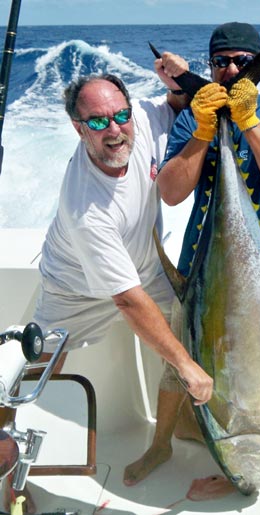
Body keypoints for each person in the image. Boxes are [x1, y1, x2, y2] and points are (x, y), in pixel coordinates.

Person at [0, 52, 213, 514]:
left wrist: (181, 80)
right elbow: (128, 301)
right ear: (78, 129)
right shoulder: (86, 206)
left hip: (143, 270)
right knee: (31, 377)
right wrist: (190, 368)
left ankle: (166, 440)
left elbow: (181, 104)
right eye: (98, 122)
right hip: (74, 290)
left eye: (121, 115)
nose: (116, 130)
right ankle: (4, 471)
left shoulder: (144, 119)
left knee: (185, 333)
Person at [124, 22, 260, 507]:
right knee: (177, 367)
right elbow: (170, 191)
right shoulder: (192, 119)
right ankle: (160, 444)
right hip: (201, 271)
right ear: (209, 66)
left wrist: (248, 122)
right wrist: (205, 127)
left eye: (241, 62)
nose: (229, 70)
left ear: (255, 67)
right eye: (220, 62)